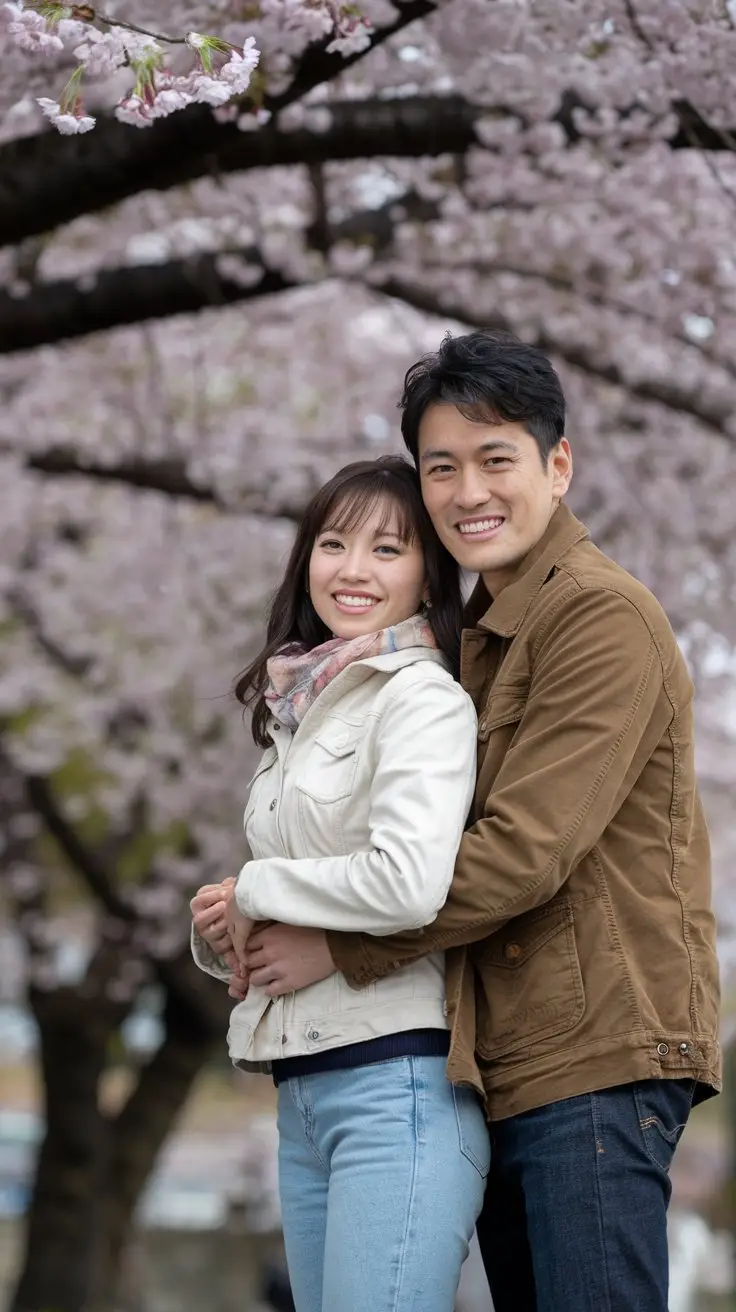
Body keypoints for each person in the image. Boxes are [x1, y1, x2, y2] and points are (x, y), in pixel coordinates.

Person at [240, 331, 722, 1312]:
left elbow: (521, 857)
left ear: (556, 464)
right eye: (442, 468)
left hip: (594, 1050)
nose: (467, 493)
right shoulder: (483, 642)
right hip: (503, 1057)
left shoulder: (598, 618)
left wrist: (339, 944)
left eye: (495, 459)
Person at [190, 456, 490, 1312]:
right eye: (333, 543)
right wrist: (230, 928)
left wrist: (257, 888)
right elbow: (305, 899)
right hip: (304, 1090)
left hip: (395, 1085)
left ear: (428, 573)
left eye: (387, 549)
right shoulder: (303, 707)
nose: (353, 569)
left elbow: (409, 881)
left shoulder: (421, 700)